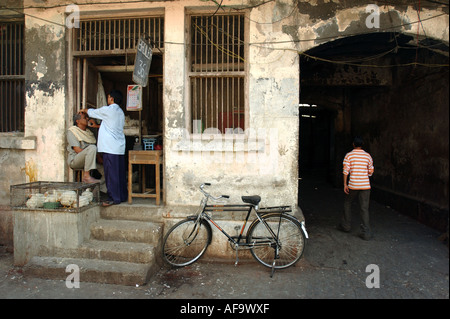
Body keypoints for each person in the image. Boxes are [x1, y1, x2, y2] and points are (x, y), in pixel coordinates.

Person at [81, 89, 127, 207]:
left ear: (111, 98)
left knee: (111, 175)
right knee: (119, 174)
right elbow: (110, 125)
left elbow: (92, 112)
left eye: (108, 97)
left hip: (110, 148)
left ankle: (112, 198)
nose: (107, 99)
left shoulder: (108, 110)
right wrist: (97, 125)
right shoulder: (120, 112)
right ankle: (121, 196)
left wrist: (83, 110)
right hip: (119, 147)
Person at [338, 136, 374, 240]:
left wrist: (345, 184)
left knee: (348, 202)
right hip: (365, 186)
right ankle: (366, 233)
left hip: (353, 185)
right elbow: (370, 171)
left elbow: (346, 171)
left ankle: (346, 226)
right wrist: (365, 175)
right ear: (362, 145)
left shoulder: (349, 155)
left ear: (353, 144)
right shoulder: (368, 156)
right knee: (364, 208)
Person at [67, 112, 101, 184]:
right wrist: (90, 154)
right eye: (84, 118)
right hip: (75, 160)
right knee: (92, 148)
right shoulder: (72, 131)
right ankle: (86, 176)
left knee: (106, 170)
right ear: (78, 121)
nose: (87, 119)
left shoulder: (89, 133)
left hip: (89, 160)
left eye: (87, 117)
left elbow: (95, 154)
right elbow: (77, 150)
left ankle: (95, 192)